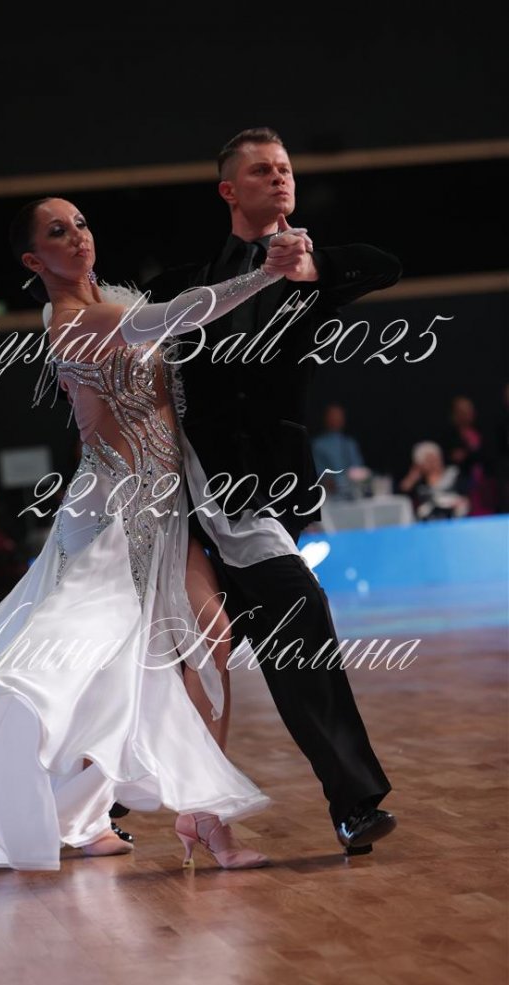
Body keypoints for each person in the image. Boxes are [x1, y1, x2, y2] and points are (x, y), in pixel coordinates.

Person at [0, 196, 312, 873]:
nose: (78, 236)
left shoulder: (112, 299)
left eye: (82, 223)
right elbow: (172, 317)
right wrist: (265, 272)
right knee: (82, 666)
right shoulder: (70, 322)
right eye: (58, 232)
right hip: (109, 517)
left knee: (209, 637)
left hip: (163, 507)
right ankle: (98, 809)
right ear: (35, 260)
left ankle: (185, 814)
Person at [143, 126, 401, 854]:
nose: (280, 177)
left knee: (289, 637)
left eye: (285, 168)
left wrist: (311, 267)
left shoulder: (312, 272)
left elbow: (387, 264)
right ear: (229, 190)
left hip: (262, 500)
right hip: (185, 504)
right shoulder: (185, 283)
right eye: (262, 170)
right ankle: (99, 803)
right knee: (180, 657)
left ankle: (352, 803)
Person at [312, 403, 370, 500]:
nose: (336, 419)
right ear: (326, 418)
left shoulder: (350, 443)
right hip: (329, 496)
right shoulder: (318, 445)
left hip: (353, 494)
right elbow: (318, 472)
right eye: (333, 416)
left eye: (339, 416)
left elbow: (358, 469)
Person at [399, 441, 469, 520]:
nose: (433, 463)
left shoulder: (455, 474)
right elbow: (401, 498)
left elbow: (466, 496)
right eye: (428, 460)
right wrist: (412, 478)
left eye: (435, 458)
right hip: (427, 522)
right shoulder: (420, 483)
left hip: (455, 519)